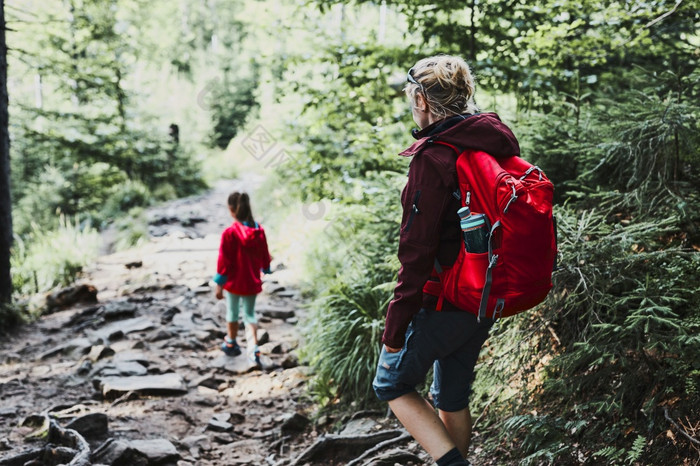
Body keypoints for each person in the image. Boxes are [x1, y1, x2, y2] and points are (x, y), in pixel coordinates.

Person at [372, 55, 521, 466]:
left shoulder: (432, 158)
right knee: (450, 396)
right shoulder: (493, 139)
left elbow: (416, 253)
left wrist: (395, 326)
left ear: (421, 99)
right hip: (485, 292)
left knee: (389, 384)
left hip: (444, 298)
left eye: (409, 95)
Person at [213, 192, 272, 365]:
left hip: (233, 282)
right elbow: (264, 253)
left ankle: (231, 342)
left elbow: (224, 261)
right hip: (251, 280)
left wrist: (219, 284)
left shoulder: (229, 233)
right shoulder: (258, 230)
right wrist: (266, 269)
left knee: (232, 312)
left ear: (231, 210)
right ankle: (253, 349)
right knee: (249, 314)